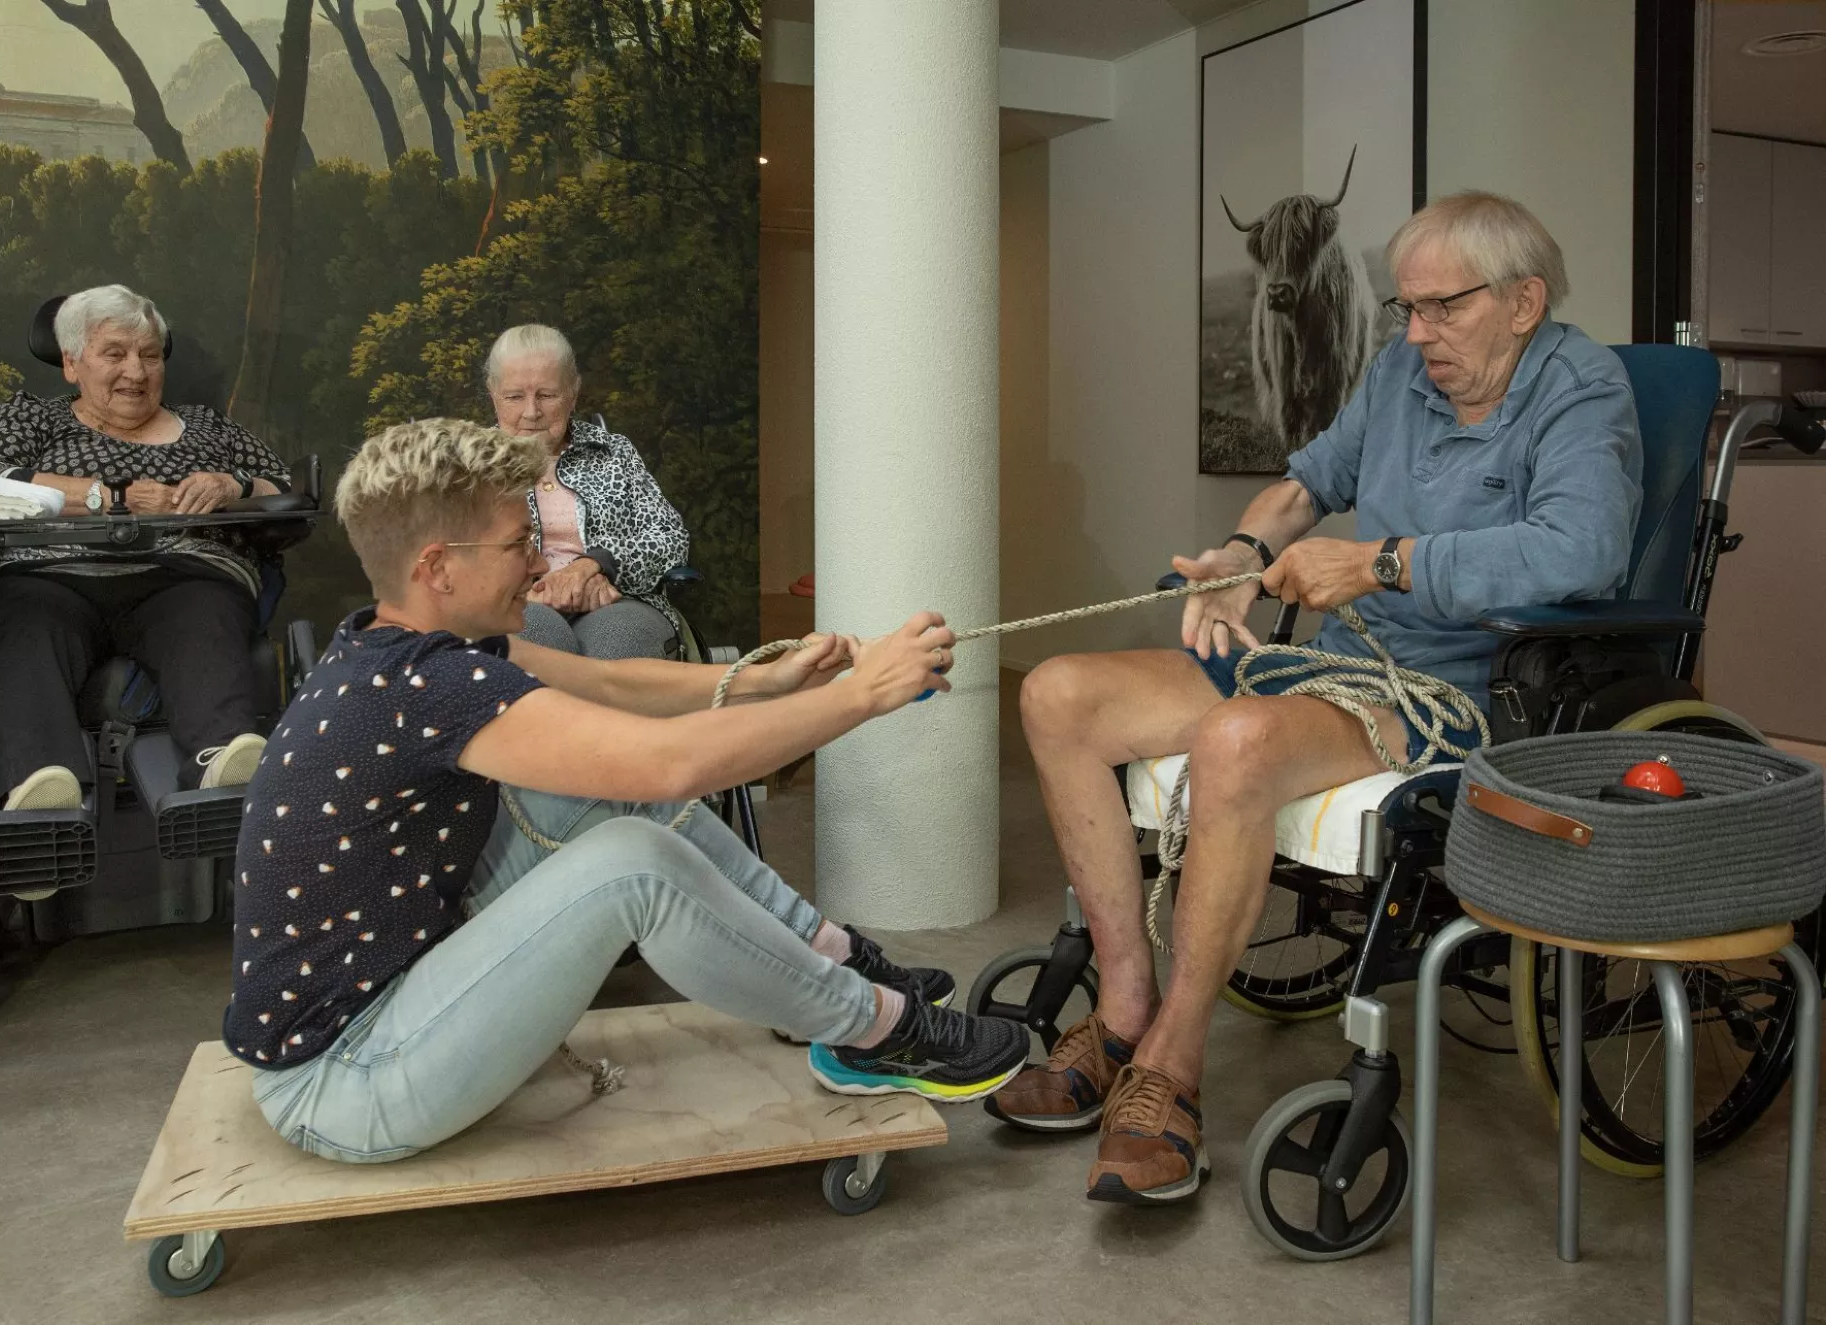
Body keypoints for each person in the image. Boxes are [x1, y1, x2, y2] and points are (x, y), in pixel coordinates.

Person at [987, 192, 1643, 1205]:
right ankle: (1121, 1012)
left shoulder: (1582, 389)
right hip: (1337, 662)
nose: (1416, 333)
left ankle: (1172, 1065)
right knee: (1058, 693)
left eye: (1443, 307)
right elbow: (1303, 487)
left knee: (1239, 738)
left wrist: (1382, 563)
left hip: (1458, 690)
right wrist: (1240, 555)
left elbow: (1581, 550)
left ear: (1523, 301)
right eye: (1406, 307)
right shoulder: (1400, 375)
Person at [229, 418, 1028, 1163]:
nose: (539, 562)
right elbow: (673, 764)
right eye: (517, 544)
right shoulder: (428, 685)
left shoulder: (400, 643)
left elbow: (610, 688)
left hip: (394, 988)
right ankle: (873, 1030)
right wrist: (864, 694)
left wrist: (768, 679)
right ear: (438, 567)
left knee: (607, 797)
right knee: (634, 863)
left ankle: (826, 958)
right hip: (345, 1079)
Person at [0, 284, 291, 809]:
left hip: (181, 576)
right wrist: (111, 497)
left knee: (203, 612)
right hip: (39, 577)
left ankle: (221, 761)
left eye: (150, 355)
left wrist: (233, 485)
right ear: (71, 363)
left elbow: (285, 487)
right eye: (115, 354)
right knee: (34, 624)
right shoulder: (32, 417)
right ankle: (42, 788)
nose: (137, 371)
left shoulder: (207, 426)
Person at [486, 324, 689, 660]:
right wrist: (525, 589)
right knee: (531, 639)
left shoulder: (613, 452)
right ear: (493, 393)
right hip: (515, 603)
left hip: (616, 600)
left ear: (573, 393)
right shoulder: (471, 463)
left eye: (547, 395)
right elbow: (448, 554)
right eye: (514, 396)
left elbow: (670, 538)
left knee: (618, 643)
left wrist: (596, 566)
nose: (531, 412)